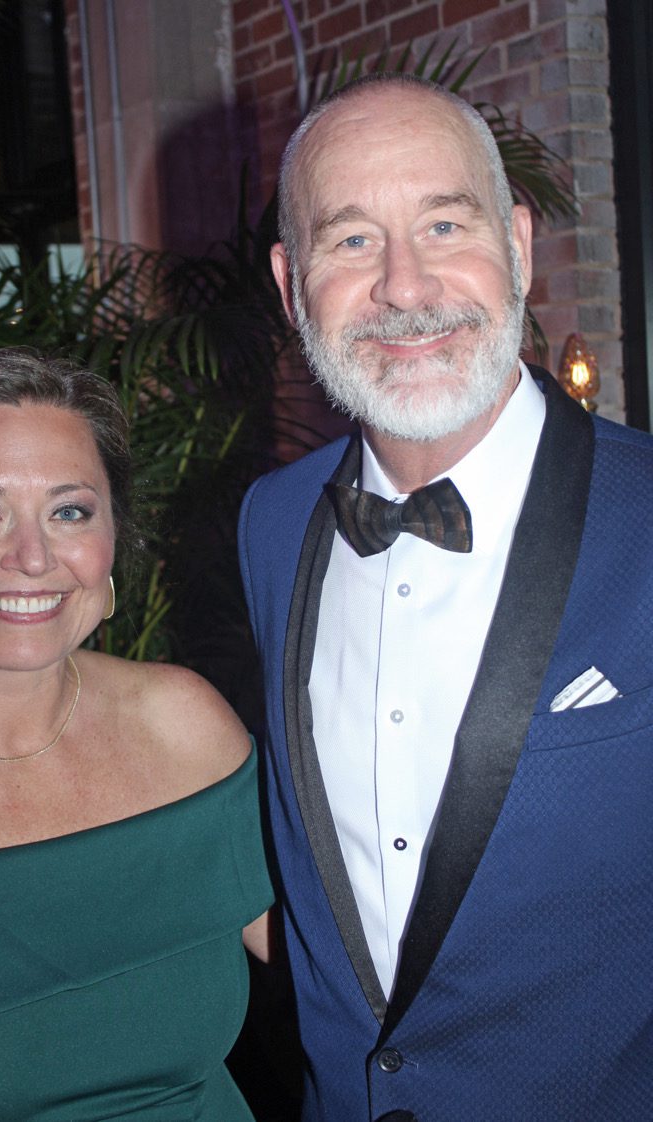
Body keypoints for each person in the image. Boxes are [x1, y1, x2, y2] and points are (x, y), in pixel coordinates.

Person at [238, 72, 653, 1121]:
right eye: (350, 241)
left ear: (516, 243)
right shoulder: (270, 526)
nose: (403, 286)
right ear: (291, 285)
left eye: (443, 224)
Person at [0, 347, 271, 1122]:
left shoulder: (183, 728)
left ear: (110, 538)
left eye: (70, 511)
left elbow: (352, 985)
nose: (33, 557)